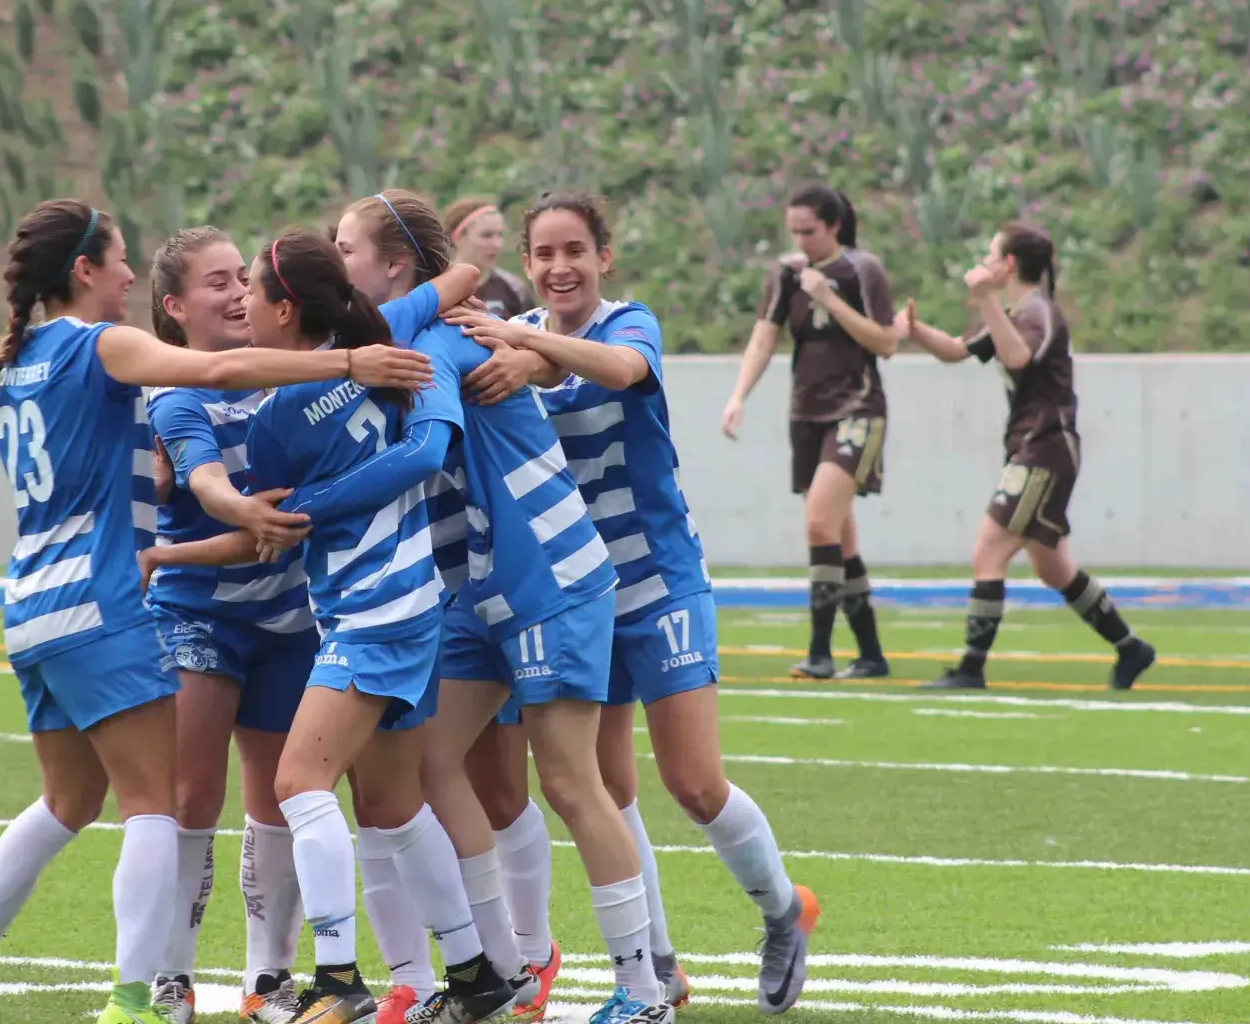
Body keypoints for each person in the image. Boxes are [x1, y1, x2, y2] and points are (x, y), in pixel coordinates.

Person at [0, 200, 433, 1024]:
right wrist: (350, 366)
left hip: (32, 605)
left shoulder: (11, 365)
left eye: (241, 278)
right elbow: (219, 376)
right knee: (158, 805)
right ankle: (139, 996)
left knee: (67, 804)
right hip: (104, 602)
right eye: (118, 261)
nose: (127, 274)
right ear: (84, 272)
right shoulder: (103, 345)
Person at [451, 190, 821, 1018]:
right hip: (580, 595)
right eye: (543, 254)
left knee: (692, 782)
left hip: (657, 580)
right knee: (606, 786)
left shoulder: (628, 324)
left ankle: (781, 912)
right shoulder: (522, 352)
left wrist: (521, 337)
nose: (559, 267)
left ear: (604, 257)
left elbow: (621, 372)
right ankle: (657, 967)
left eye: (574, 250)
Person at [146, 228, 516, 1024]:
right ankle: (479, 974)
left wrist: (165, 553)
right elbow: (449, 287)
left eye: (249, 285)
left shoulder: (280, 419)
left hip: (368, 612)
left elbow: (267, 528)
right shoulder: (387, 345)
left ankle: (338, 977)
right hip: (420, 600)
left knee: (295, 785)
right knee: (393, 802)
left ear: (286, 310)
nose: (243, 298)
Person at [340, 190, 667, 1024]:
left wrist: (313, 499)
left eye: (346, 250)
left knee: (569, 781)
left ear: (396, 267)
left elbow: (424, 452)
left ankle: (642, 989)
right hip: (479, 588)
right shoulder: (403, 337)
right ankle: (502, 967)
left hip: (545, 575)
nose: (336, 264)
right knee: (428, 765)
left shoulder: (443, 337)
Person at [137, 227, 317, 1024]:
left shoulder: (288, 374)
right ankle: (170, 977)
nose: (240, 291)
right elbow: (208, 481)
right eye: (217, 282)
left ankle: (266, 981)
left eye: (243, 276)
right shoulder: (176, 395)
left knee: (279, 799)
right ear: (175, 309)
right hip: (198, 614)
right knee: (190, 797)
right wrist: (239, 518)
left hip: (286, 616)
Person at [892, 223, 1158, 691]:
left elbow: (1017, 358)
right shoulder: (1015, 311)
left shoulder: (1036, 312)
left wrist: (985, 300)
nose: (986, 260)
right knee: (1053, 568)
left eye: (992, 253)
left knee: (988, 548)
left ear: (1009, 264)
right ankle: (1131, 647)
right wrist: (916, 331)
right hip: (1036, 447)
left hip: (1045, 447)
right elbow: (958, 350)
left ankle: (971, 667)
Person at [719, 184, 897, 681]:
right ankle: (872, 655)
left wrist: (829, 299)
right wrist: (738, 397)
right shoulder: (785, 272)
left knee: (820, 522)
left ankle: (820, 652)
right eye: (793, 230)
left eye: (809, 231)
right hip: (806, 414)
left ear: (834, 226)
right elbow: (764, 336)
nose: (800, 239)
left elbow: (886, 342)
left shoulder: (863, 269)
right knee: (839, 535)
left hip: (859, 410)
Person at [443, 197, 532, 318]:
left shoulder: (514, 289)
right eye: (487, 235)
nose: (497, 244)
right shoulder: (436, 285)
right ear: (458, 238)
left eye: (500, 235)